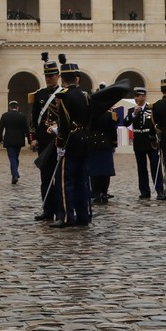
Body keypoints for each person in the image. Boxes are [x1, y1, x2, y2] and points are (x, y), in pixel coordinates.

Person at [45, 60, 93, 227]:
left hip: (70, 142)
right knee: (82, 180)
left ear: (63, 79)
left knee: (66, 182)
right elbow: (89, 120)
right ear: (76, 78)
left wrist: (60, 140)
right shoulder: (85, 95)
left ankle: (66, 217)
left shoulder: (64, 96)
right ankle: (83, 216)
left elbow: (64, 122)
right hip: (84, 140)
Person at [27, 53, 64, 222]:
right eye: (47, 76)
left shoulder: (63, 94)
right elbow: (34, 118)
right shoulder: (40, 95)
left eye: (52, 76)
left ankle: (60, 210)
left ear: (58, 76)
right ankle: (47, 209)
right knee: (45, 178)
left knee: (59, 179)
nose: (49, 78)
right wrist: (33, 138)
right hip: (43, 142)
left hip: (59, 141)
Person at [120, 87, 159, 199]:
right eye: (135, 96)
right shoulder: (132, 110)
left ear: (144, 96)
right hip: (139, 142)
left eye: (138, 96)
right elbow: (126, 123)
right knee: (141, 168)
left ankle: (159, 189)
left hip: (150, 141)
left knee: (155, 166)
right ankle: (144, 191)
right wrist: (134, 114)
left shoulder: (151, 109)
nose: (136, 98)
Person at [85, 84, 120, 205]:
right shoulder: (110, 115)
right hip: (105, 144)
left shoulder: (90, 114)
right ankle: (103, 192)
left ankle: (96, 192)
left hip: (92, 144)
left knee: (94, 171)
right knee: (105, 171)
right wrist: (114, 143)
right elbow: (113, 130)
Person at [0, 100, 27, 185]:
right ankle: (15, 174)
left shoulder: (5, 115)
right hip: (19, 140)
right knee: (15, 157)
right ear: (17, 107)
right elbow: (27, 128)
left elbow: (0, 128)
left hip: (9, 139)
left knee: (12, 158)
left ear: (9, 107)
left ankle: (15, 174)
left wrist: (0, 139)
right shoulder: (22, 116)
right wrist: (31, 140)